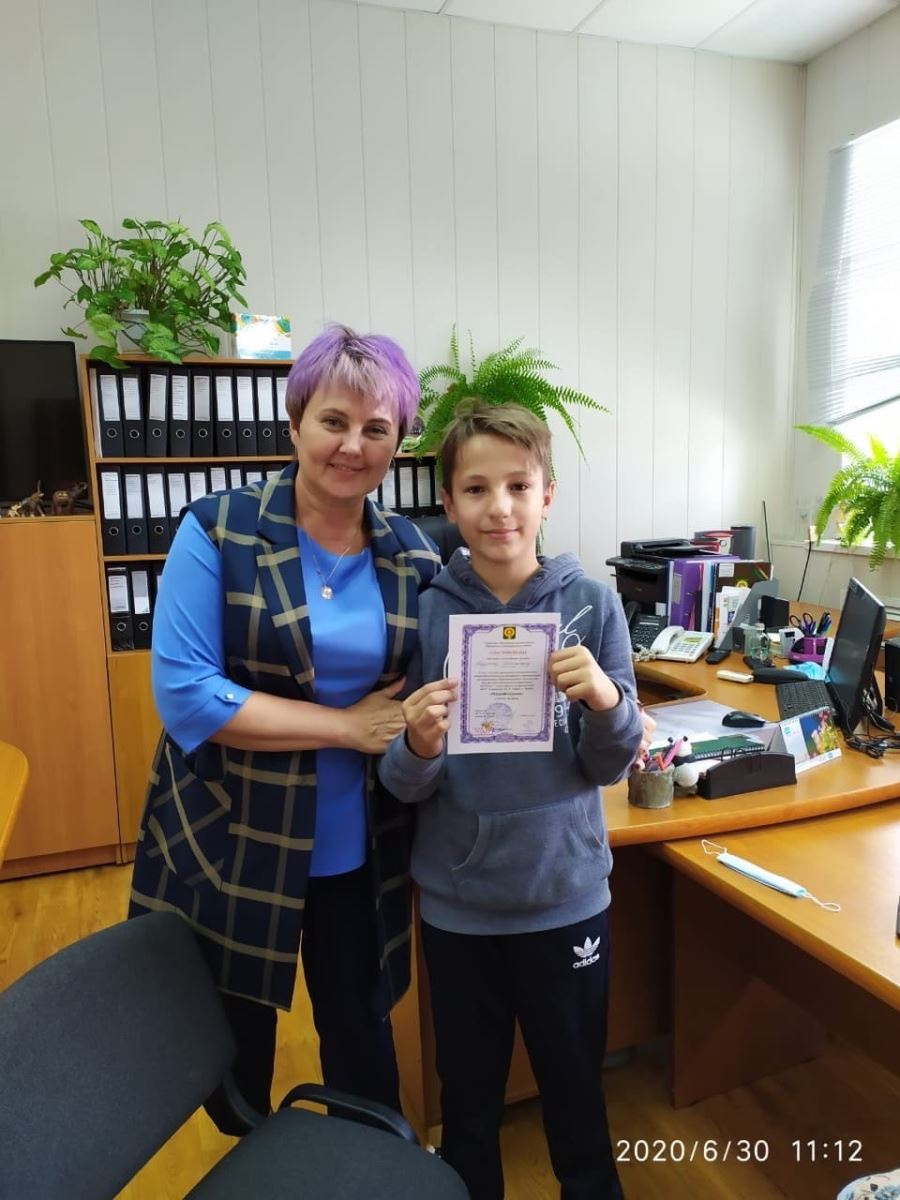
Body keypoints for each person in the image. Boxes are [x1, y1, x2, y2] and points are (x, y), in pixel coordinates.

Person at [128, 325, 442, 1132]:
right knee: (233, 1059)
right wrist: (344, 726)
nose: (353, 445)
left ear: (399, 443)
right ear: (296, 421)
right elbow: (189, 698)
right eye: (334, 420)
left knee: (363, 1047)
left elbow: (437, 686)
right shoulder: (219, 530)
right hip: (234, 836)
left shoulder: (413, 556)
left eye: (377, 428)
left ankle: (368, 1173)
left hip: (361, 846)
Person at [379, 402, 643, 1199]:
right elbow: (399, 780)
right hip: (460, 910)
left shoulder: (592, 602)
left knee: (577, 1099)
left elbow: (611, 764)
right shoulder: (424, 611)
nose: (499, 507)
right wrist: (420, 743)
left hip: (565, 899)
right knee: (468, 1107)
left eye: (519, 486)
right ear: (449, 502)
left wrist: (604, 699)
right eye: (476, 489)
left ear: (547, 494)